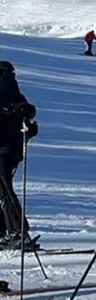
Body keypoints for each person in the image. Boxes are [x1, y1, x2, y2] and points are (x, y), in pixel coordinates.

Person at [0, 61, 39, 251]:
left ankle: (17, 232)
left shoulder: (5, 95)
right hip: (13, 150)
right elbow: (28, 115)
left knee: (4, 191)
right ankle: (7, 231)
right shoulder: (16, 95)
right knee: (3, 190)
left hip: (3, 150)